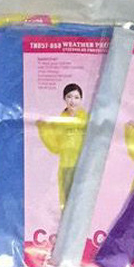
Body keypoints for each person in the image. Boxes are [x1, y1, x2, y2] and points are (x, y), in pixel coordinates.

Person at [36, 83, 88, 211]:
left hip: (85, 166)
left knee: (84, 201)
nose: (72, 101)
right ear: (64, 98)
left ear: (81, 99)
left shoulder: (88, 119)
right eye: (69, 96)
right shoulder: (59, 122)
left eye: (76, 97)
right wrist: (43, 128)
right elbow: (55, 147)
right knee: (68, 202)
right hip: (67, 166)